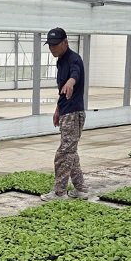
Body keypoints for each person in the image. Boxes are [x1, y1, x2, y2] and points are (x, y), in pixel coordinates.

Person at [40, 27, 90, 201]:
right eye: (50, 45)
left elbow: (75, 74)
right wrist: (58, 109)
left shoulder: (74, 59)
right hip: (66, 112)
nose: (52, 48)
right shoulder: (60, 61)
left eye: (55, 45)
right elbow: (62, 91)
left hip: (74, 113)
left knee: (63, 154)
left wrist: (71, 81)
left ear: (65, 42)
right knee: (71, 152)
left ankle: (59, 192)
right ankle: (81, 189)